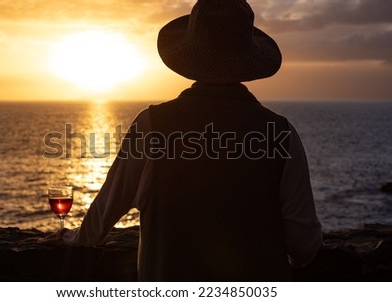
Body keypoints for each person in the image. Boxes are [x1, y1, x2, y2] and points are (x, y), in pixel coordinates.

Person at [40, 0, 322, 281]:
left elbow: (105, 211)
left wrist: (73, 237)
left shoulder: (152, 124)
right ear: (247, 59)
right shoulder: (281, 133)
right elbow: (304, 245)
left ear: (191, 57)